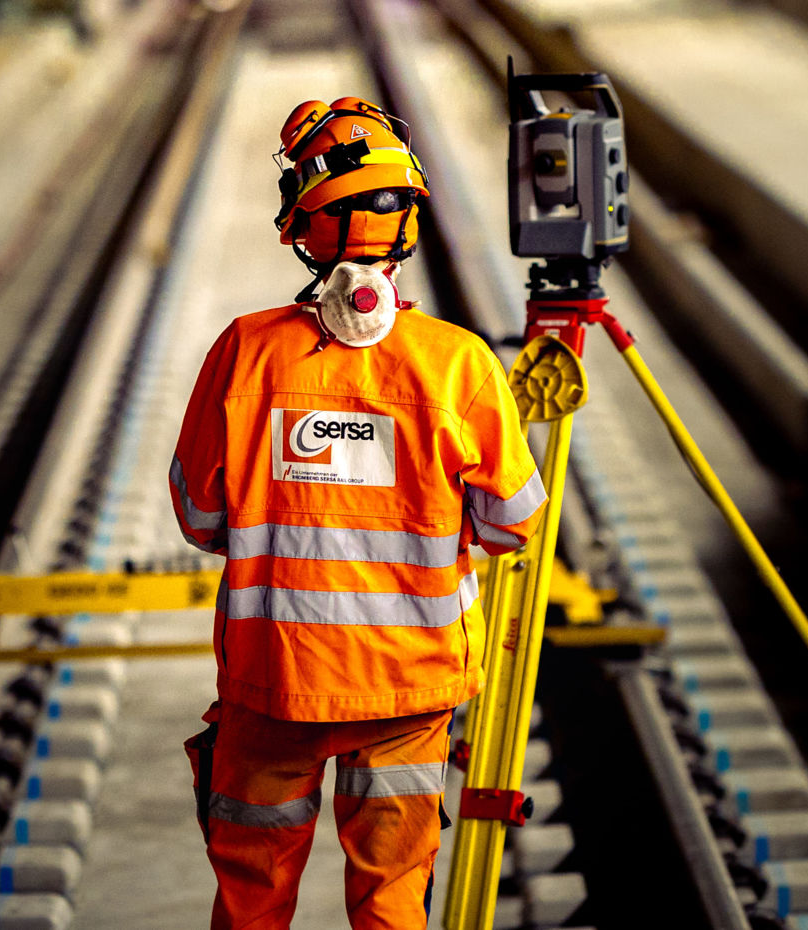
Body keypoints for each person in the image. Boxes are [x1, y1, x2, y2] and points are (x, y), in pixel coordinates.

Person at [169, 97, 547, 929]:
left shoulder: (244, 351)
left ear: (302, 226)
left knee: (251, 899)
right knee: (391, 901)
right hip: (408, 687)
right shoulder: (458, 364)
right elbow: (513, 523)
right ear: (407, 222)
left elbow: (200, 517)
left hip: (274, 683)